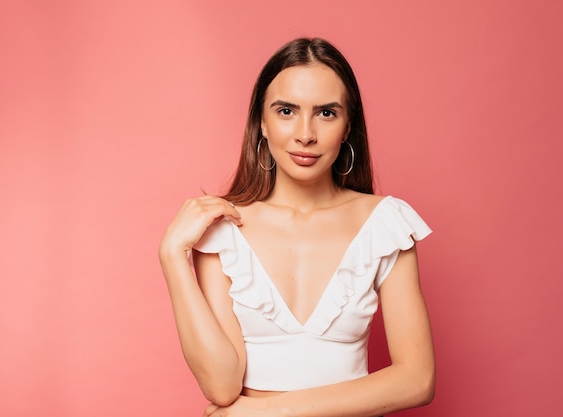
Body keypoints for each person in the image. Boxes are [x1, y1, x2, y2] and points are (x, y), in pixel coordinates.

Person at [159, 37, 435, 417]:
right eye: (286, 111)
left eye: (326, 113)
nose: (305, 133)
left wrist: (265, 413)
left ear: (347, 125)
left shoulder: (385, 223)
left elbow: (417, 380)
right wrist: (172, 255)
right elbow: (222, 385)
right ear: (262, 122)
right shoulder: (223, 230)